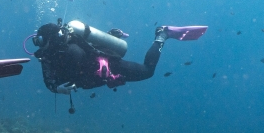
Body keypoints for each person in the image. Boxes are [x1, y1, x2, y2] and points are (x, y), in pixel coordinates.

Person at [28, 19, 207, 97]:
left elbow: (50, 81)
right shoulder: (51, 55)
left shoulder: (58, 52)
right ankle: (161, 35)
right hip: (106, 72)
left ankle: (162, 34)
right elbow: (51, 82)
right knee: (147, 72)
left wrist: (106, 71)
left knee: (147, 71)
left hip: (109, 66)